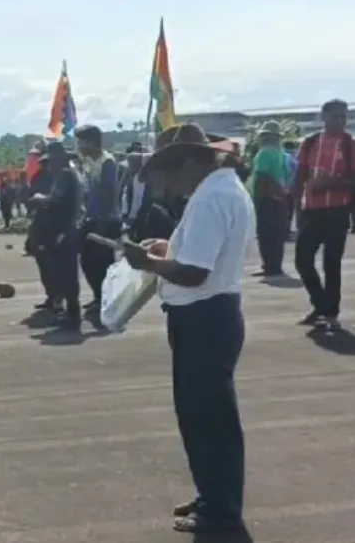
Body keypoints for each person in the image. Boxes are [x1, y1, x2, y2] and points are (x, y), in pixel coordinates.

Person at [122, 123, 253, 535]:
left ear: (194, 161)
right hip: (209, 315)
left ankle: (220, 508)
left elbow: (195, 272)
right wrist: (168, 250)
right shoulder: (220, 190)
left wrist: (148, 264)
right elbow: (195, 255)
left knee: (209, 420)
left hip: (204, 316)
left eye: (174, 170)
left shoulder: (212, 197)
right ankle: (213, 494)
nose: (172, 182)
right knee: (205, 417)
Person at [292, 99, 355, 331]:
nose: (340, 121)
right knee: (302, 261)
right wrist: (297, 209)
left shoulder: (351, 144)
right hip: (311, 211)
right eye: (335, 116)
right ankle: (321, 304)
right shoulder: (310, 142)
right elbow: (300, 177)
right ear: (322, 117)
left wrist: (331, 183)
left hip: (337, 211)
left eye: (344, 117)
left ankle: (330, 312)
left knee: (331, 264)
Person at [28, 142, 83, 331]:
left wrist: (39, 199)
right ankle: (70, 312)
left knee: (66, 273)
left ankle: (72, 314)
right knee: (64, 272)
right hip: (63, 229)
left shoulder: (65, 176)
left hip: (64, 230)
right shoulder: (65, 176)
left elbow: (56, 200)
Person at [75, 125, 121, 316]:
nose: (79, 145)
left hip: (105, 220)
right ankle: (98, 296)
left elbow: (109, 194)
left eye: (81, 141)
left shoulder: (107, 162)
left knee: (102, 263)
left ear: (91, 142)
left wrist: (104, 222)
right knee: (88, 262)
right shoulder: (87, 162)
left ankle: (107, 300)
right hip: (90, 219)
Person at [247, 121, 291, 277]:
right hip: (279, 196)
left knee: (265, 233)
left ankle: (269, 266)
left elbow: (262, 176)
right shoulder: (280, 153)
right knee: (276, 234)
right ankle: (275, 265)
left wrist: (257, 198)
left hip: (266, 198)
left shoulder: (264, 153)